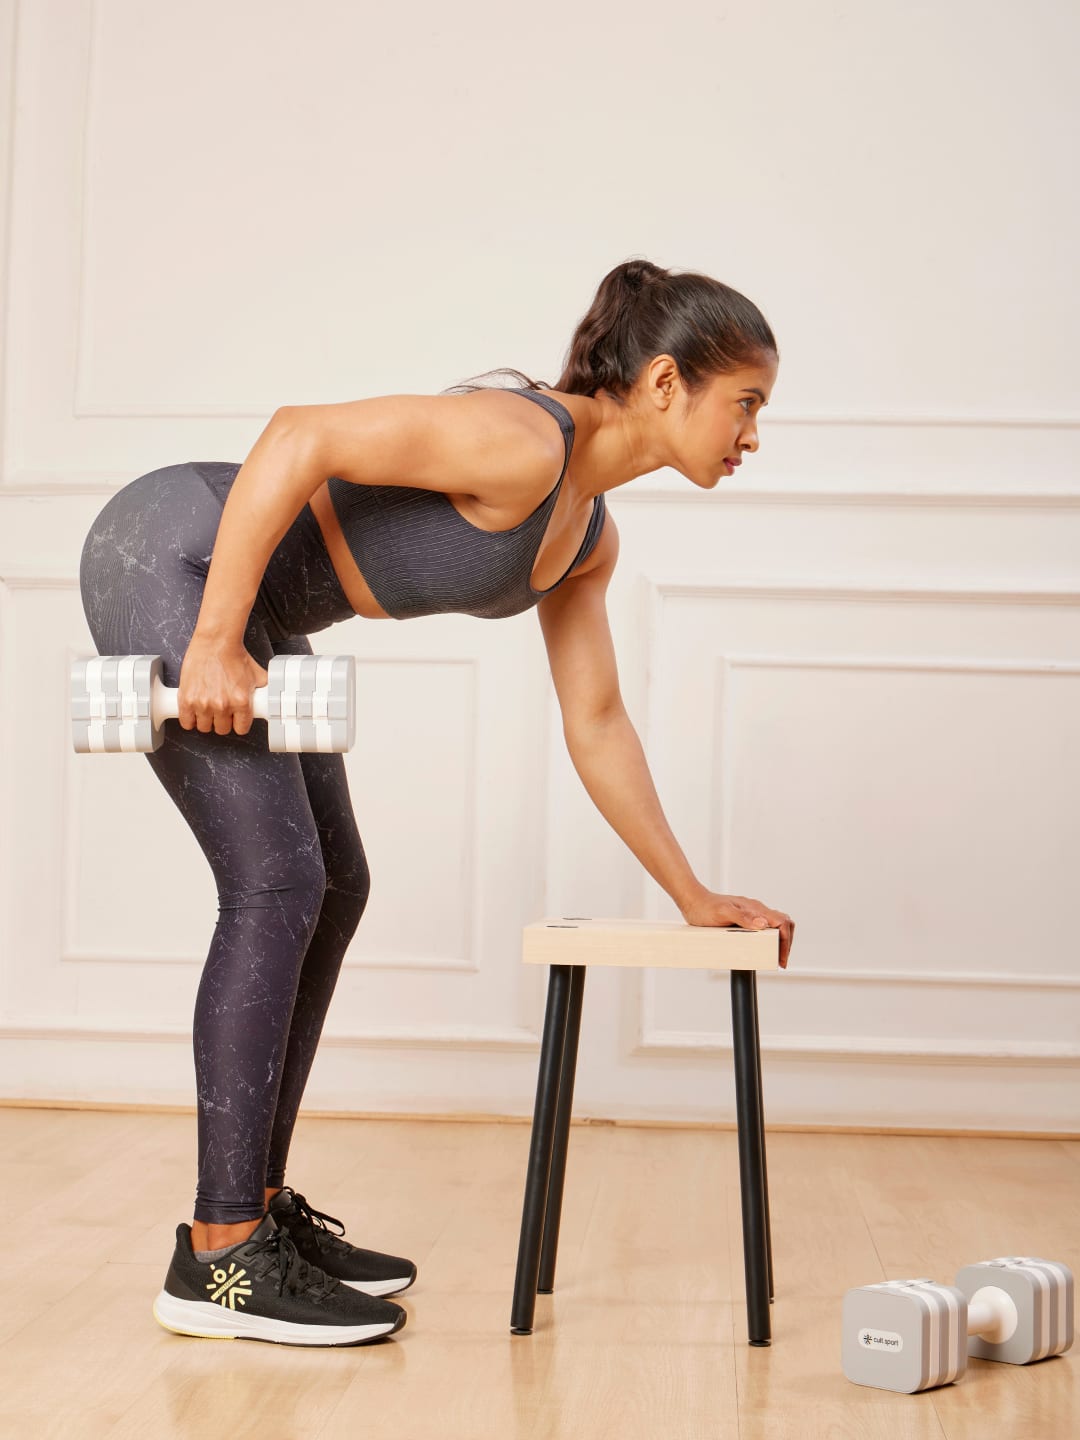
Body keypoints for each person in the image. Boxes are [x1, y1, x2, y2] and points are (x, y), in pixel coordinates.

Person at [77, 257, 795, 1349]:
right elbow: (297, 435)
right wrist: (215, 639)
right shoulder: (522, 441)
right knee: (276, 885)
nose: (752, 435)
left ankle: (256, 1209)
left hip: (247, 599)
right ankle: (219, 1259)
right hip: (173, 555)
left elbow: (598, 721)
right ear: (664, 383)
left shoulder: (587, 535)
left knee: (335, 885)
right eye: (745, 403)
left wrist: (692, 896)